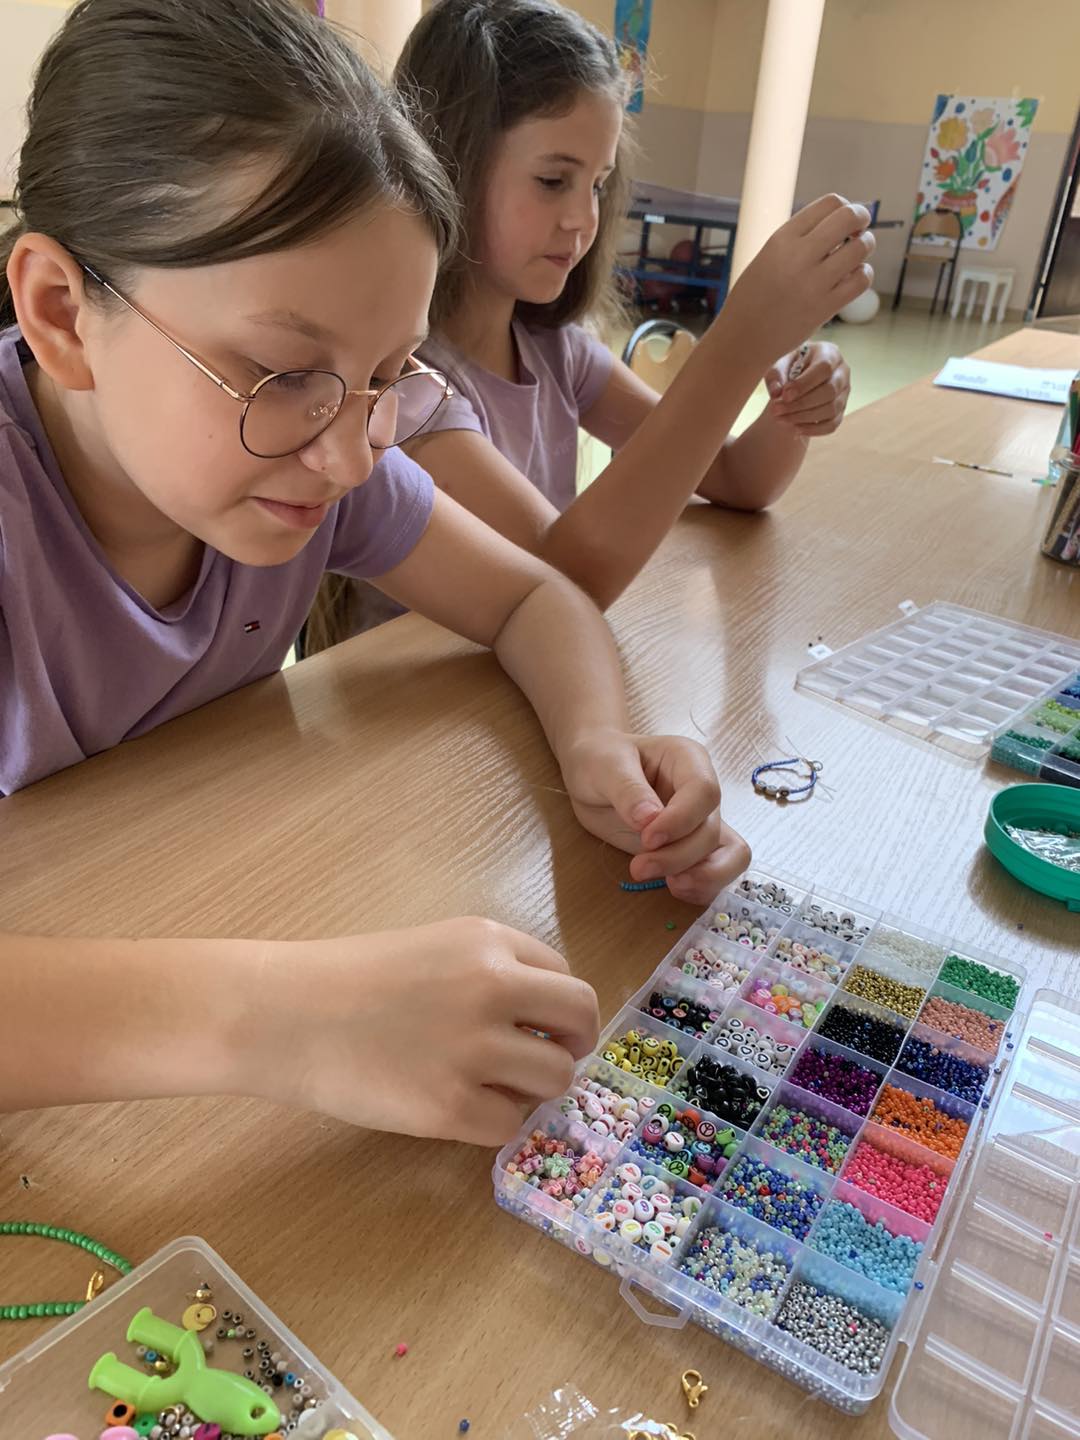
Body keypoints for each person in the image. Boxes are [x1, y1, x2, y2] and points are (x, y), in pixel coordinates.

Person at [0, 0, 750, 1144]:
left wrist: (596, 742)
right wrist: (287, 1021)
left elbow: (533, 595)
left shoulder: (325, 460)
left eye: (390, 375)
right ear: (62, 314)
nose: (353, 454)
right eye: (286, 370)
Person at [301, 0, 873, 649]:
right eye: (553, 180)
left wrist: (795, 401)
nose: (583, 218)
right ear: (451, 165)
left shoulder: (557, 352)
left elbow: (740, 479)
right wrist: (742, 340)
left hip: (522, 682)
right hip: (410, 699)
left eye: (597, 185)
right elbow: (563, 577)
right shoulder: (402, 386)